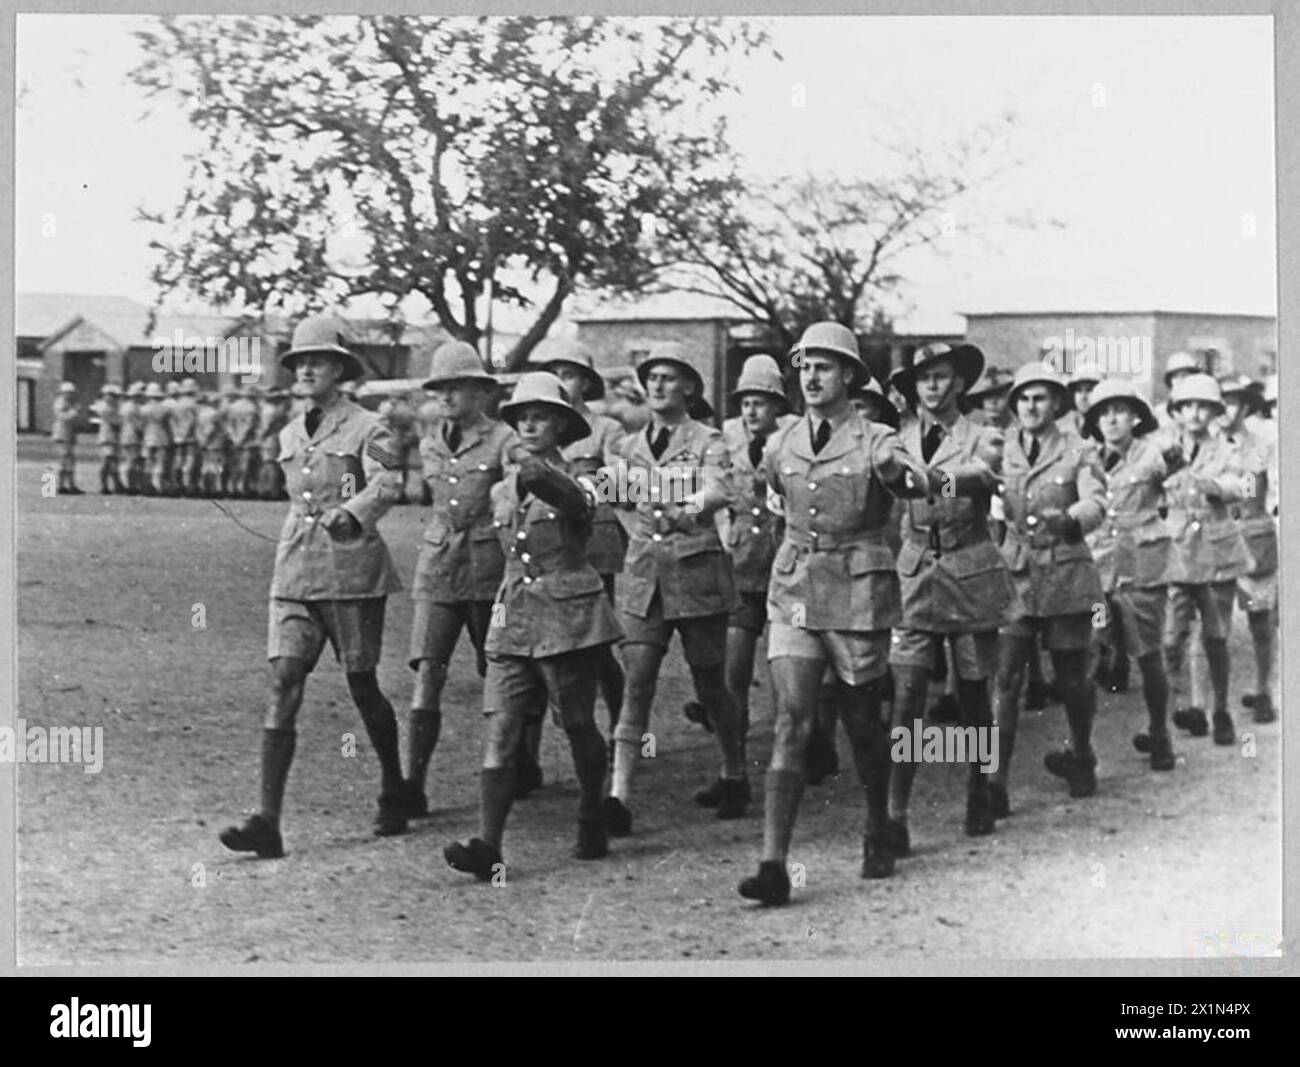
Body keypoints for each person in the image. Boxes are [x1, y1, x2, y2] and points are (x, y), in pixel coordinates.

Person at [738, 324, 930, 905]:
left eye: (825, 367)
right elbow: (772, 489)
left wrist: (899, 474)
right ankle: (774, 862)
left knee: (861, 723)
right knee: (791, 721)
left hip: (856, 593)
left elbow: (911, 480)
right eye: (805, 367)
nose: (813, 378)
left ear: (849, 375)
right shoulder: (782, 439)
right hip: (795, 587)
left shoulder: (877, 438)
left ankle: (879, 822)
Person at [219, 313, 408, 858]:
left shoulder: (369, 428)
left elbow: (389, 481)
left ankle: (394, 787)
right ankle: (267, 820)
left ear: (339, 370)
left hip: (351, 572)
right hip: (296, 570)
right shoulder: (287, 431)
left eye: (317, 362)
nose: (306, 370)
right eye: (299, 362)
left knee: (362, 683)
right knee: (284, 681)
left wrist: (355, 512)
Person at [444, 373, 624, 879]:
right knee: (501, 726)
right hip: (515, 613)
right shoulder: (503, 491)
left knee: (576, 723)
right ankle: (488, 842)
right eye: (521, 417)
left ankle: (592, 808)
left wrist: (532, 469)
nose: (528, 424)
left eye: (540, 416)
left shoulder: (581, 481)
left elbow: (572, 501)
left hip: (567, 617)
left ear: (563, 425)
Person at [602, 341, 747, 835]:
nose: (659, 386)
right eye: (653, 378)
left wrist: (686, 506)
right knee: (636, 681)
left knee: (710, 683)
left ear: (689, 385)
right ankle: (618, 795)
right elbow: (616, 498)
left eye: (669, 377)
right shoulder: (627, 445)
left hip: (697, 575)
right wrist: (637, 530)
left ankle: (734, 771)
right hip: (645, 576)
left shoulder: (709, 439)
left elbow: (719, 488)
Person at [886, 342, 1016, 850]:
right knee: (907, 695)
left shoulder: (984, 435)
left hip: (969, 570)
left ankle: (979, 786)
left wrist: (925, 479)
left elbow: (983, 474)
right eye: (924, 379)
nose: (933, 387)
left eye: (941, 377)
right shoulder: (898, 439)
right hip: (917, 572)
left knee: (973, 691)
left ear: (959, 383)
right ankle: (894, 813)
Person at [401, 341, 516, 818]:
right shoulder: (429, 441)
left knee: (502, 670)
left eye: (456, 388)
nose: (446, 397)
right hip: (439, 566)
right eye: (440, 389)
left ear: (480, 391)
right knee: (429, 670)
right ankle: (413, 783)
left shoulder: (504, 439)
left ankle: (518, 761)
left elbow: (512, 486)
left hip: (491, 571)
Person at [990, 361, 1106, 806]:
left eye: (1040, 397)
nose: (1031, 406)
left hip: (1065, 572)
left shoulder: (1078, 449)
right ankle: (995, 782)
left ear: (1057, 403)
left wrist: (1074, 517)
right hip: (1015, 573)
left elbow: (1096, 499)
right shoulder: (1002, 450)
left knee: (1071, 677)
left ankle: (1080, 752)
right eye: (1023, 398)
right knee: (1005, 679)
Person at [529, 339, 629, 771]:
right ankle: (526, 755)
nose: (561, 381)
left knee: (597, 646)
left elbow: (624, 479)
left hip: (593, 543)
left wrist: (585, 488)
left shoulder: (606, 429)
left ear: (586, 382)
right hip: (543, 549)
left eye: (569, 374)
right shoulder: (534, 427)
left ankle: (622, 732)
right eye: (554, 373)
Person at [704, 355, 797, 803]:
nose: (751, 411)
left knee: (788, 676)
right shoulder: (726, 438)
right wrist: (724, 530)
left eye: (760, 403)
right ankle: (733, 773)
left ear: (777, 405)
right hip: (741, 568)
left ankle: (797, 759)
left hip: (785, 570)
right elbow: (717, 489)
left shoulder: (794, 437)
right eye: (745, 403)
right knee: (733, 673)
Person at [1081, 378, 1183, 771]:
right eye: (1103, 413)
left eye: (1120, 411)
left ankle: (1160, 734)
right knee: (1088, 652)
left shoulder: (1153, 456)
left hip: (1141, 572)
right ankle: (1081, 750)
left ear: (1136, 416)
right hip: (1098, 573)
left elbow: (1178, 481)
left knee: (1148, 654)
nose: (1111, 420)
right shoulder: (1088, 458)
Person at [1162, 374, 1253, 745]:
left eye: (1203, 406)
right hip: (1178, 552)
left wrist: (1207, 484)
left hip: (1217, 551)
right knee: (1171, 638)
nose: (1195, 414)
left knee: (1214, 638)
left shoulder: (1227, 448)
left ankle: (1218, 709)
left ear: (1215, 411)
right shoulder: (1164, 448)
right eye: (1186, 406)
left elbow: (1239, 487)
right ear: (1177, 412)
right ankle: (1183, 707)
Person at [1216, 375, 1277, 725]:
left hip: (1253, 540)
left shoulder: (1259, 444)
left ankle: (1263, 691)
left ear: (1246, 407)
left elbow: (1257, 492)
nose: (1228, 409)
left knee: (1259, 621)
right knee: (1214, 626)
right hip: (1216, 543)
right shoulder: (1203, 446)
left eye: (1235, 402)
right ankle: (1216, 706)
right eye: (1222, 401)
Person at [225, 384, 261, 497]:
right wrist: (241, 438)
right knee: (245, 465)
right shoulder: (253, 408)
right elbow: (249, 426)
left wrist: (233, 437)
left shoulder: (233, 407)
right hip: (248, 441)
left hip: (233, 439)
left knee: (234, 464)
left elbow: (228, 424)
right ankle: (242, 487)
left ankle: (231, 486)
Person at [140, 382, 172, 496]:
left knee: (148, 462)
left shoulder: (143, 409)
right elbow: (168, 424)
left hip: (148, 436)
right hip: (161, 437)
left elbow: (141, 425)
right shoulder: (165, 409)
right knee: (160, 463)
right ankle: (159, 486)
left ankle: (147, 486)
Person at [51, 382, 84, 495]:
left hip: (69, 434)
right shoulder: (60, 403)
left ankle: (70, 484)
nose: (71, 395)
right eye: (68, 393)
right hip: (62, 434)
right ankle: (62, 485)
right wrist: (74, 412)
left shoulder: (70, 403)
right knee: (64, 459)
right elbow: (63, 417)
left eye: (72, 393)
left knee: (70, 460)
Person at [90, 384, 124, 494]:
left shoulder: (116, 407)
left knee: (113, 462)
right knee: (108, 461)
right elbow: (115, 420)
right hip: (107, 438)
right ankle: (108, 485)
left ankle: (115, 484)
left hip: (114, 438)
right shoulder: (105, 408)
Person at [171, 379, 200, 496]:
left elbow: (172, 421)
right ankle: (187, 485)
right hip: (190, 437)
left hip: (177, 436)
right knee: (190, 461)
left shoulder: (177, 404)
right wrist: (186, 434)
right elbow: (191, 421)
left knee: (178, 460)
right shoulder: (193, 405)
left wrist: (177, 434)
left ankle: (177, 484)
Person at [117, 382, 145, 495]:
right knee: (133, 462)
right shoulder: (135, 408)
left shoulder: (124, 406)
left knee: (128, 461)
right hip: (133, 436)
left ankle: (129, 484)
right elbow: (138, 425)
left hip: (124, 435)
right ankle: (132, 485)